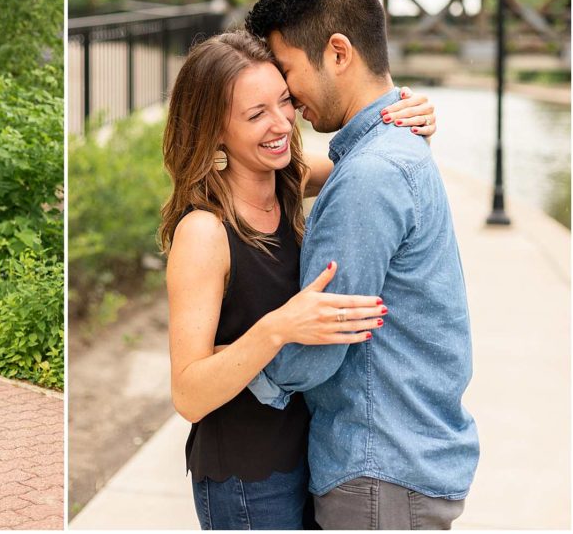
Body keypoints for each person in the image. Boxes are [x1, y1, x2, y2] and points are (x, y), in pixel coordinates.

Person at [162, 30, 436, 530]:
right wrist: (278, 328)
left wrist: (411, 115)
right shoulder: (204, 232)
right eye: (255, 114)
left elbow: (377, 166)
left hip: (313, 456)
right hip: (247, 481)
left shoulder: (292, 177)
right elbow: (187, 392)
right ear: (213, 129)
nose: (281, 123)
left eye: (284, 101)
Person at [244, 0, 479, 530]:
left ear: (339, 52)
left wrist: (238, 372)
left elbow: (321, 344)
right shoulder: (389, 147)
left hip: (379, 472)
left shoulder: (372, 174)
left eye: (288, 72)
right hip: (400, 465)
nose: (289, 99)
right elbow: (297, 174)